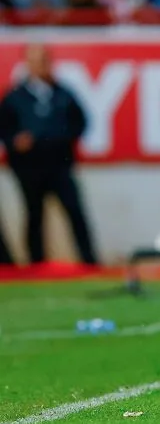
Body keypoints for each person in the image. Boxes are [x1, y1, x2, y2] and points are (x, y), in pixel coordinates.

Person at [0, 44, 97, 266]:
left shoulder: (63, 94)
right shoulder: (15, 97)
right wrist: (15, 141)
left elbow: (80, 123)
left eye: (44, 60)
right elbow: (4, 129)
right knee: (34, 215)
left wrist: (60, 138)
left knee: (75, 212)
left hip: (60, 165)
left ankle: (89, 261)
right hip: (29, 167)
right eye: (35, 61)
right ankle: (37, 262)